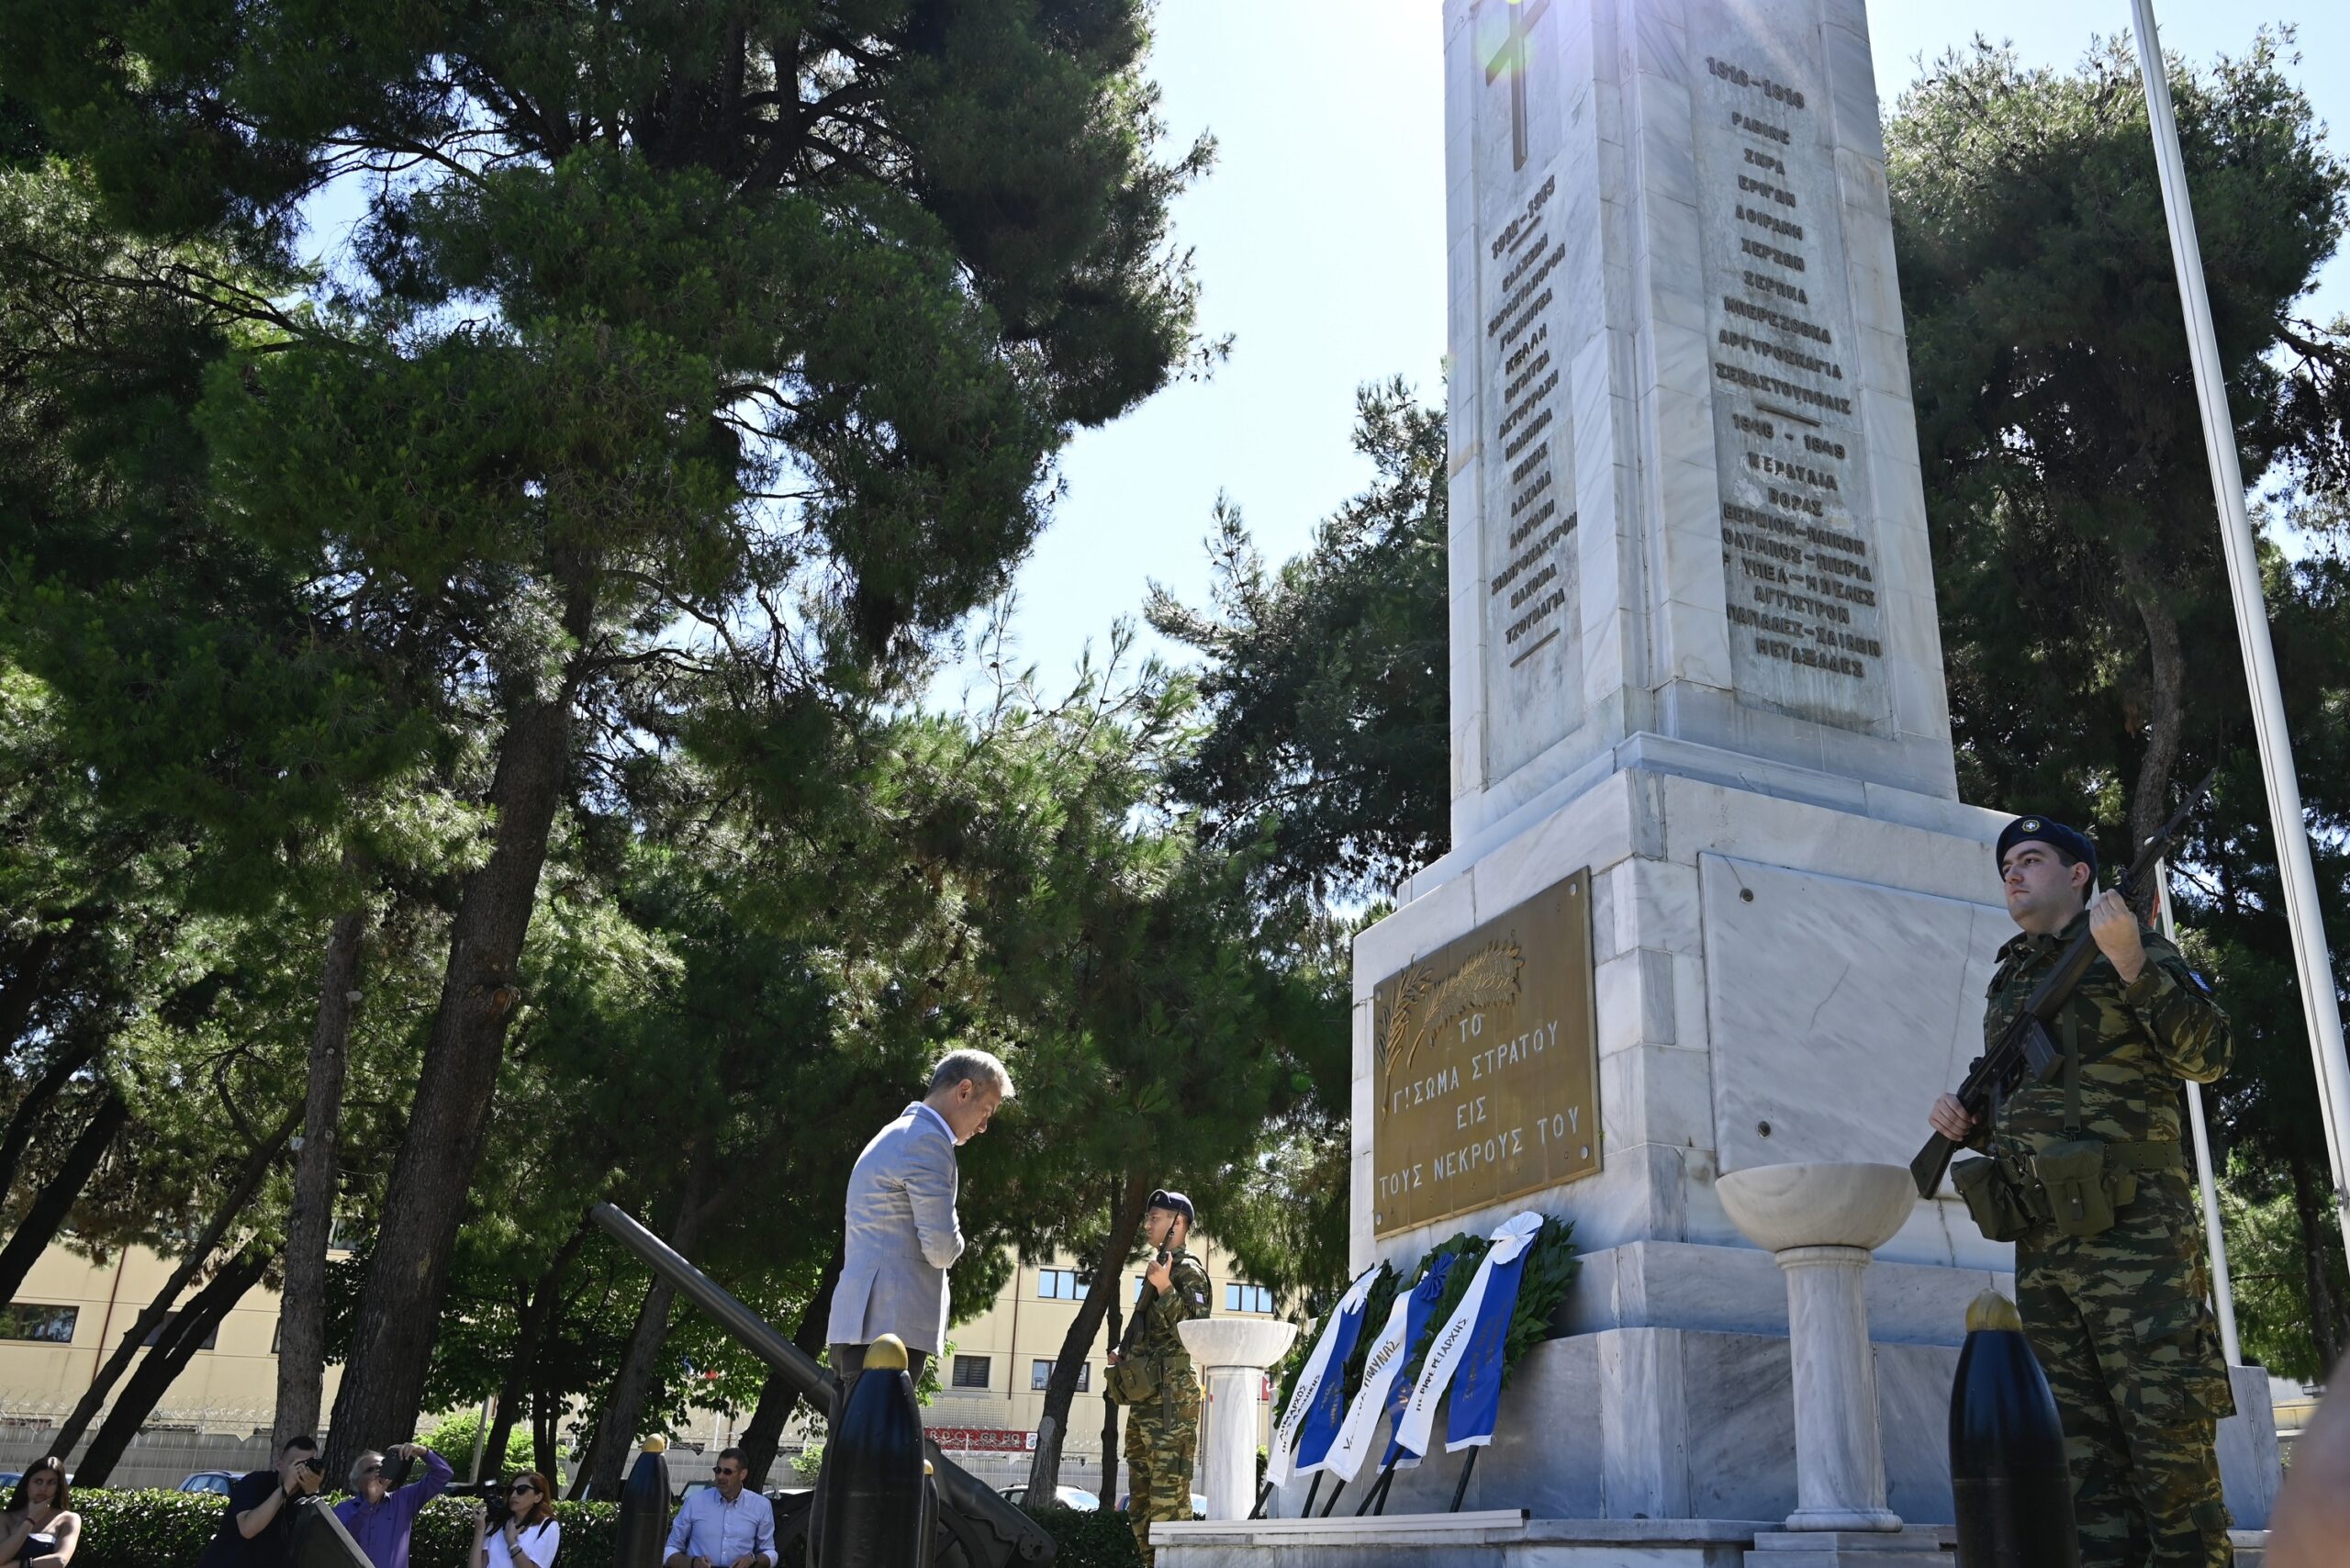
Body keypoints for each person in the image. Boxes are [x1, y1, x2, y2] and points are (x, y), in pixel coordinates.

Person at [1928, 814, 2235, 1568]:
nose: (2013, 873)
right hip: (2046, 1244)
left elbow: (2211, 1055)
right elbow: (2026, 1106)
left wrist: (2131, 961)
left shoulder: (2132, 948)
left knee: (2167, 1448)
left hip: (2136, 1236)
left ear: (2079, 876)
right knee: (2082, 1465)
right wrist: (1968, 1125)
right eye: (2006, 865)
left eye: (2031, 859)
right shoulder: (2012, 979)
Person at [827, 1047, 1014, 1408]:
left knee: (851, 1453)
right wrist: (958, 1236)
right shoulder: (928, 1141)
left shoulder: (897, 1133)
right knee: (876, 1457)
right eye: (985, 1111)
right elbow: (942, 1248)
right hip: (888, 1333)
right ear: (963, 1091)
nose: (983, 1127)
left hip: (863, 1327)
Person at [1108, 1188, 1211, 1568]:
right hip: (1146, 1400)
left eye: (1156, 1217)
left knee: (1169, 1496)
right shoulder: (1160, 1266)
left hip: (1172, 1402)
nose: (1148, 1223)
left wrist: (1166, 1287)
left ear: (1178, 1223)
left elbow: (1198, 1330)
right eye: (1148, 1217)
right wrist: (1125, 1353)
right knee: (1141, 1501)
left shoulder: (1187, 1271)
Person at [196, 1435, 324, 1568]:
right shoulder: (255, 1482)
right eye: (297, 1465)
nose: (302, 1471)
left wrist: (313, 1494)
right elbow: (248, 1529)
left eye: (308, 1465)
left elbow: (317, 1544)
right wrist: (285, 1489)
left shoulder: (306, 1497)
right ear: (280, 1465)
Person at [334, 1443, 453, 1568]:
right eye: (370, 1470)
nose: (378, 1472)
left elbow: (444, 1473)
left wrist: (422, 1451)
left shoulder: (404, 1500)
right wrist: (369, 1504)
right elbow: (341, 1542)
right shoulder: (342, 1510)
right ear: (356, 1482)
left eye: (382, 1466)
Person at [662, 1449, 775, 1568]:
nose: (720, 1476)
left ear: (742, 1474)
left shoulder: (761, 1505)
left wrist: (753, 1559)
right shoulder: (695, 1502)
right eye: (718, 1470)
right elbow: (670, 1549)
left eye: (727, 1472)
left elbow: (770, 1552)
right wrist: (693, 1563)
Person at [468, 1473, 558, 1568]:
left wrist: (511, 1541)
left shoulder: (548, 1526)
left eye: (521, 1490)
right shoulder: (499, 1522)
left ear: (538, 1497)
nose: (514, 1495)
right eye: (511, 1490)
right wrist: (479, 1530)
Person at [0, 1457, 78, 1568]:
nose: (43, 1488)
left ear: (58, 1487)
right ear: (27, 1485)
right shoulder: (5, 1518)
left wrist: (18, 1565)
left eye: (51, 1482)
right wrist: (31, 1519)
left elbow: (60, 1560)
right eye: (38, 1481)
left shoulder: (68, 1519)